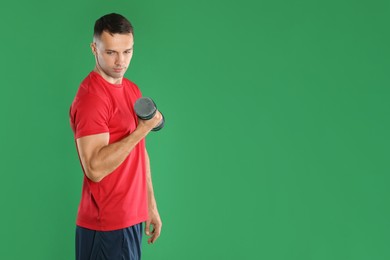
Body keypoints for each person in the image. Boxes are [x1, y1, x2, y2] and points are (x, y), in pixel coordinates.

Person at [69, 13, 163, 260]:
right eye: (111, 52)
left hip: (131, 218)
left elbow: (139, 151)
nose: (120, 61)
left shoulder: (132, 89)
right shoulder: (92, 98)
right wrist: (143, 128)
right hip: (106, 225)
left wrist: (149, 205)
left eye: (127, 51)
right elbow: (94, 168)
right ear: (94, 48)